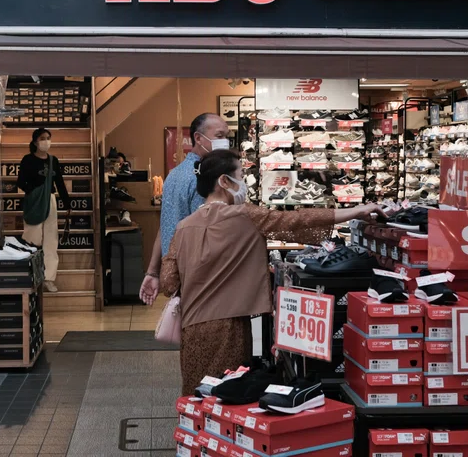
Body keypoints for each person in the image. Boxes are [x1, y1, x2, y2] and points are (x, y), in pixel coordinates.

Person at [161, 149, 379, 395]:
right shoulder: (244, 216)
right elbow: (296, 221)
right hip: (229, 325)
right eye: (240, 175)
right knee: (227, 393)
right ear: (224, 181)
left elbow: (168, 281)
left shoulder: (183, 227)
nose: (243, 182)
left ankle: (194, 431)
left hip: (191, 327)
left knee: (194, 392)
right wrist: (357, 211)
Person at [139, 113, 230, 306]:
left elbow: (165, 225)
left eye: (227, 136)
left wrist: (153, 271)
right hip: (200, 278)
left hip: (179, 277)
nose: (226, 142)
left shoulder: (174, 174)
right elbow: (207, 233)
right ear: (198, 138)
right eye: (220, 136)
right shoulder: (203, 180)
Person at [17, 128, 71, 293]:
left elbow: (59, 182)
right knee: (32, 237)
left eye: (48, 138)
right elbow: (21, 182)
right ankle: (30, 276)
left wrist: (67, 203)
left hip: (51, 200)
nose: (46, 141)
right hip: (34, 202)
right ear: (35, 142)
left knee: (50, 240)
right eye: (42, 138)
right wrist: (33, 192)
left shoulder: (53, 161)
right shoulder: (27, 160)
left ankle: (48, 278)